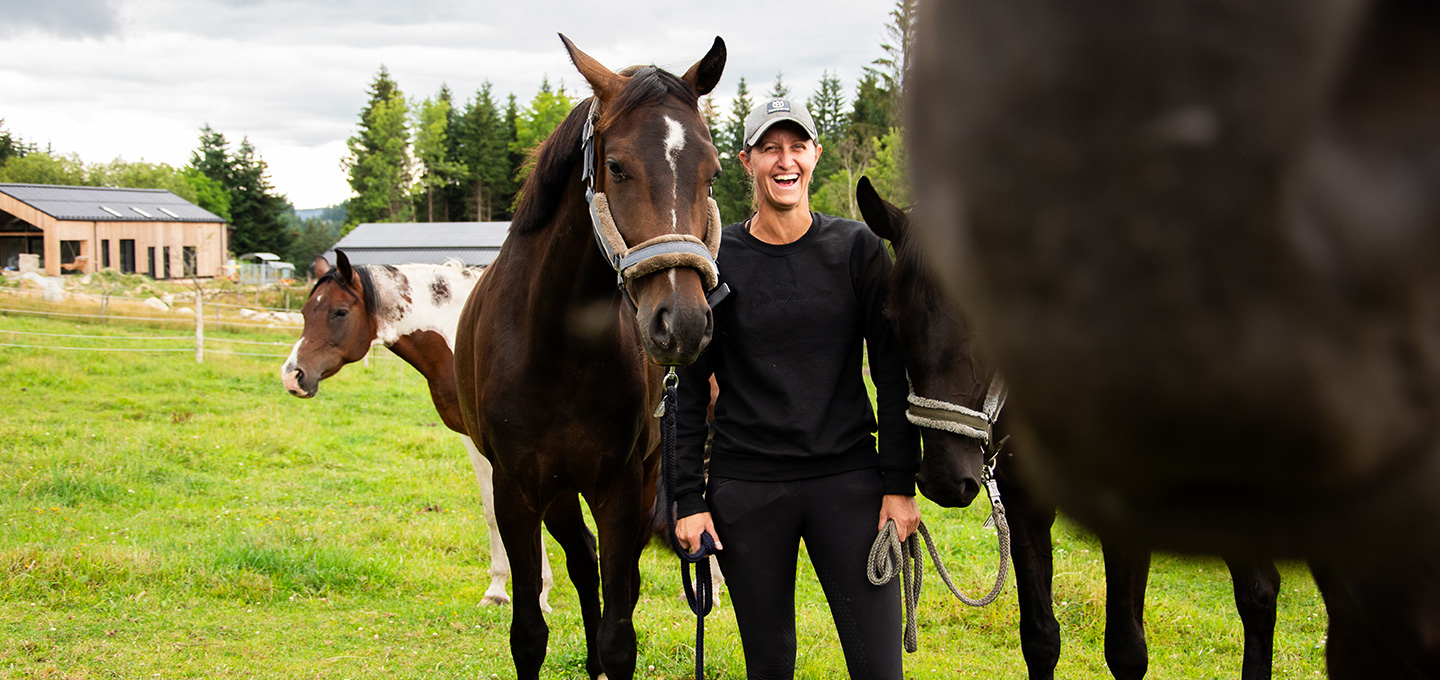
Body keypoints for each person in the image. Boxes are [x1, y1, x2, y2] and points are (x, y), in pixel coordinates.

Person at [673, 98, 922, 680]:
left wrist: (899, 485)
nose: (784, 161)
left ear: (814, 155)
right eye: (769, 148)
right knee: (769, 665)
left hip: (848, 483)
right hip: (748, 488)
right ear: (746, 162)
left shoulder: (857, 249)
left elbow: (891, 373)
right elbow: (687, 386)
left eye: (796, 146)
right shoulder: (716, 257)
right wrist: (688, 500)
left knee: (879, 668)